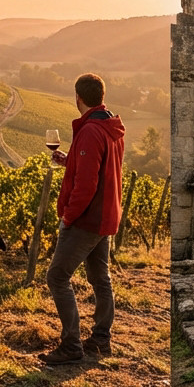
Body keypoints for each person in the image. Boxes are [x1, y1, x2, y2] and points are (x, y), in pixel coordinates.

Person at [39, 73, 126, 365]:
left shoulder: (90, 130)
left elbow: (87, 185)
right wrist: (70, 160)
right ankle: (101, 339)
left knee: (57, 276)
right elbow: (99, 170)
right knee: (101, 279)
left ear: (78, 97)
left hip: (88, 218)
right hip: (107, 215)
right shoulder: (110, 126)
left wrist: (67, 216)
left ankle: (71, 345)